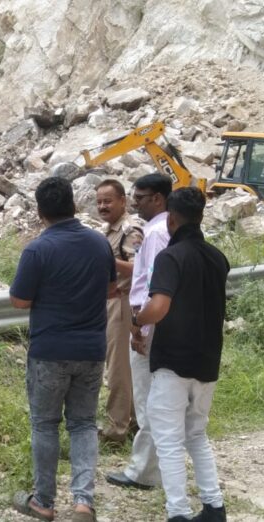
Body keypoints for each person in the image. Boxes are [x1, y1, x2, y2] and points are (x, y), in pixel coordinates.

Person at [10, 177, 117, 522]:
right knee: (83, 424)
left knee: (45, 425)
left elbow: (19, 300)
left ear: (40, 212)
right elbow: (111, 289)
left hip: (50, 351)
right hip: (92, 350)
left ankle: (43, 501)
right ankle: (83, 503)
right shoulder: (99, 243)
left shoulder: (37, 249)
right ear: (73, 205)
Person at [132, 188, 229, 522]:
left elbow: (158, 306)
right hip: (208, 359)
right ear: (200, 216)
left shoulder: (170, 257)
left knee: (169, 440)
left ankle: (177, 513)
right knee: (196, 435)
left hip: (172, 361)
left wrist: (137, 320)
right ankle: (214, 507)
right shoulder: (217, 257)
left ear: (171, 219)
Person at [106, 173, 172, 490]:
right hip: (158, 319)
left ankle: (143, 471)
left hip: (145, 318)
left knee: (146, 396)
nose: (136, 204)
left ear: (157, 198)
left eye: (140, 198)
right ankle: (157, 465)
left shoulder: (154, 233)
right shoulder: (166, 228)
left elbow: (150, 283)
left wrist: (139, 325)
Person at [95, 179, 144, 442]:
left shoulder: (130, 230)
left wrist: (105, 259)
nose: (102, 206)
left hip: (123, 302)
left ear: (123, 201)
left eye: (108, 201)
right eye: (99, 202)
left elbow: (139, 268)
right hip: (111, 302)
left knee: (118, 369)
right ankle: (134, 422)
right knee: (120, 366)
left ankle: (117, 429)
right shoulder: (109, 231)